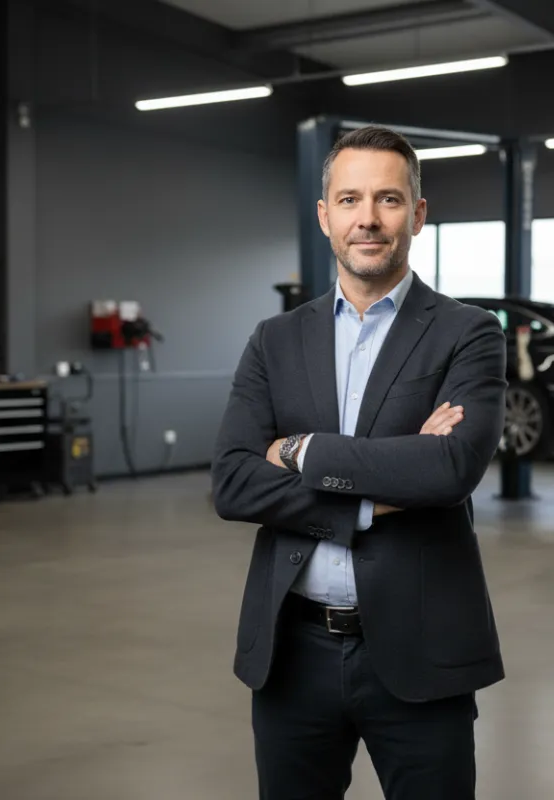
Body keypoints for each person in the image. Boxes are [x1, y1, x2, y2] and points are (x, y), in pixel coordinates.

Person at [211, 124, 507, 800]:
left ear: (418, 214)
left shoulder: (468, 332)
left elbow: (449, 469)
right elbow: (232, 481)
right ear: (325, 216)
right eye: (349, 199)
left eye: (388, 199)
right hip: (293, 653)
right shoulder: (274, 340)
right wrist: (382, 489)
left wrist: (299, 450)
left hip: (421, 649)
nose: (367, 218)